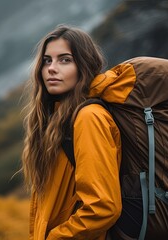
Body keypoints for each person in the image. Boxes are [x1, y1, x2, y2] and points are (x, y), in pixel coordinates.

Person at [21, 25, 122, 239]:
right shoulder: (57, 121)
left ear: (83, 66)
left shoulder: (88, 118)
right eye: (47, 60)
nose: (51, 68)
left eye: (65, 60)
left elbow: (103, 207)